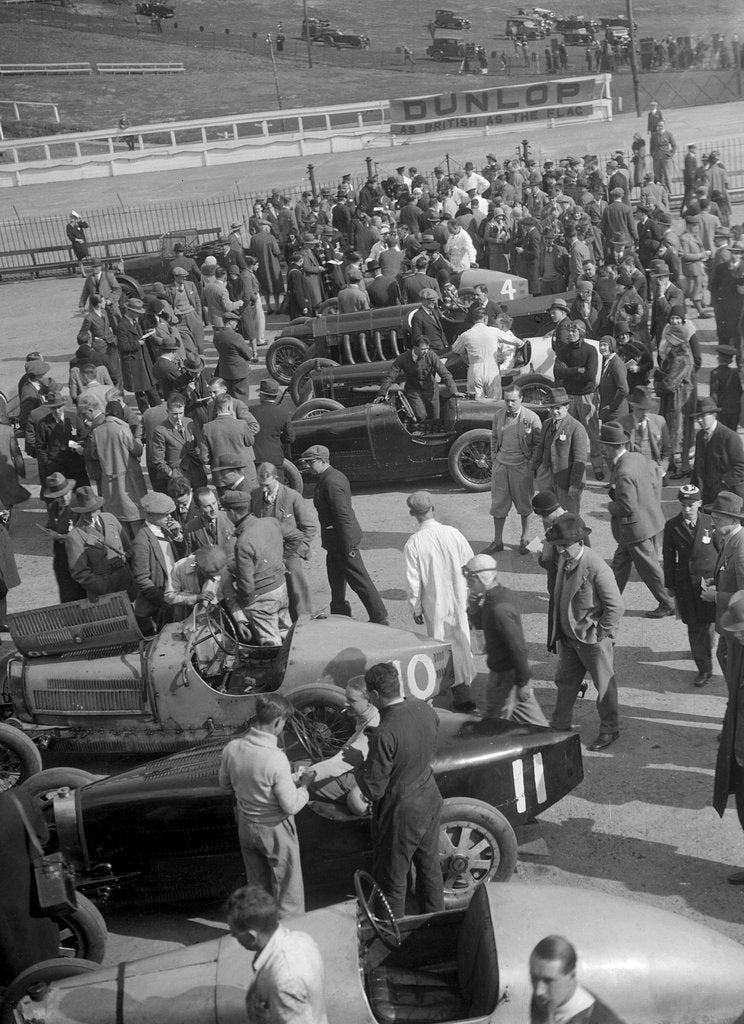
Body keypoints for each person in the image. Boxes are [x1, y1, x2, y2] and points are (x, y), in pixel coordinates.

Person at [355, 662, 444, 917]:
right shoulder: (424, 709)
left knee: (392, 880)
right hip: (430, 796)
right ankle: (436, 923)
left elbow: (373, 790)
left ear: (373, 696)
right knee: (429, 869)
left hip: (403, 811)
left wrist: (358, 765)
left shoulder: (384, 732)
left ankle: (393, 937)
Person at [219, 695, 314, 918]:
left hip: (246, 824)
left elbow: (225, 785)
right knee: (288, 889)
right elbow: (290, 806)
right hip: (275, 829)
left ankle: (260, 926)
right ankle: (289, 932)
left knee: (257, 886)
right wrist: (304, 787)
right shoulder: (276, 758)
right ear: (278, 721)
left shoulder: (232, 748)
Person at [546, 513, 624, 751]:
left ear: (578, 543)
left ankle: (610, 729)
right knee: (565, 682)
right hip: (570, 639)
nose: (560, 552)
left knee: (604, 685)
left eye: (563, 547)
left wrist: (601, 633)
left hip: (591, 640)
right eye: (558, 547)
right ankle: (559, 726)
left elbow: (616, 606)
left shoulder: (596, 566)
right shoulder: (564, 559)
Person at [403, 491, 476, 713]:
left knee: (441, 645)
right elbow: (471, 564)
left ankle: (447, 690)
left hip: (434, 604)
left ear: (412, 514)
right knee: (462, 641)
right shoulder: (453, 534)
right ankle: (465, 692)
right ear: (432, 508)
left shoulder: (414, 543)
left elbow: (413, 581)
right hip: (460, 598)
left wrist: (415, 607)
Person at [298, 445, 387, 625]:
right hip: (334, 542)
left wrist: (348, 547)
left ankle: (379, 616)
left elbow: (343, 515)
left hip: (342, 541)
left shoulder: (331, 481)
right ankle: (340, 613)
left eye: (310, 462)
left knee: (359, 580)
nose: (308, 466)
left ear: (323, 460)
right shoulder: (329, 478)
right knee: (336, 580)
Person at [601, 421, 675, 618]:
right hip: (645, 521)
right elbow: (652, 477)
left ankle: (668, 603)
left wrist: (611, 506)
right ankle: (609, 602)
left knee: (650, 569)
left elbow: (626, 507)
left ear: (609, 446)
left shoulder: (623, 472)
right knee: (619, 564)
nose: (602, 450)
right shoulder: (636, 457)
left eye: (603, 446)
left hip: (635, 528)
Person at [465, 553, 548, 726]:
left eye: (471, 581)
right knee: (534, 723)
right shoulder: (494, 598)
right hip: (504, 674)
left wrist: (523, 681)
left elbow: (517, 646)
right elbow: (484, 627)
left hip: (505, 677)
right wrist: (473, 610)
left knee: (493, 724)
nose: (468, 585)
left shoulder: (499, 609)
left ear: (483, 579)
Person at [226, 885, 329, 1024]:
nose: (232, 935)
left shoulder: (284, 980)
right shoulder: (301, 938)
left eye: (235, 933)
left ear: (252, 936)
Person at [663, 484, 719, 687]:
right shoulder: (672, 526)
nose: (687, 509)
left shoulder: (710, 522)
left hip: (708, 582)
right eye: (683, 505)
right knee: (695, 625)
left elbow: (720, 551)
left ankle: (703, 648)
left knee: (709, 622)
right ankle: (704, 668)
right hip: (686, 582)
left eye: (691, 505)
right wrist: (669, 584)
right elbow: (668, 557)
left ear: (700, 504)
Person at [222, 490, 293, 646]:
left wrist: (246, 604)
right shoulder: (270, 522)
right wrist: (281, 559)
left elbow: (246, 585)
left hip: (262, 598)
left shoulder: (242, 543)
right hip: (281, 587)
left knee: (271, 642)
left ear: (232, 512)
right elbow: (295, 537)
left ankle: (281, 669)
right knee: (288, 634)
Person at [251, 462, 316, 621]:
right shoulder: (255, 495)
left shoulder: (292, 496)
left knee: (296, 587)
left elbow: (309, 527)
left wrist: (299, 551)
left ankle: (304, 621)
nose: (264, 489)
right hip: (267, 554)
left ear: (276, 478)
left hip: (290, 551)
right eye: (261, 485)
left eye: (267, 485)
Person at [309, 677, 380, 810]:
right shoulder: (366, 715)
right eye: (346, 698)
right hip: (363, 769)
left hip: (370, 778)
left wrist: (297, 777)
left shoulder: (373, 725)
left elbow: (338, 765)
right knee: (306, 767)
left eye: (352, 700)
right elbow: (349, 745)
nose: (346, 703)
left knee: (308, 782)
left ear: (369, 701)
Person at [488, 383, 541, 554]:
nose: (509, 404)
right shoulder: (498, 416)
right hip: (501, 467)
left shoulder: (532, 418)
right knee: (498, 505)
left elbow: (538, 445)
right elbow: (494, 437)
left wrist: (530, 465)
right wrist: (494, 459)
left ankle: (524, 540)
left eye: (513, 400)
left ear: (521, 399)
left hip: (521, 468)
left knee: (525, 505)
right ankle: (497, 541)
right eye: (506, 400)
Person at [529, 935, 625, 1024]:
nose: (538, 991)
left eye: (548, 981)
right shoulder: (546, 999)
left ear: (572, 976)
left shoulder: (601, 1020)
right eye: (534, 978)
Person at [130, 491, 185, 636]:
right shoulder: (141, 542)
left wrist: (178, 536)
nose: (169, 517)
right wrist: (163, 601)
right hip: (161, 606)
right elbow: (142, 580)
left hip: (176, 595)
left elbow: (181, 558)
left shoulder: (166, 529)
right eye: (164, 515)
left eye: (170, 514)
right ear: (150, 515)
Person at [701, 491, 744, 677]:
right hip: (731, 622)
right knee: (723, 656)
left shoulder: (742, 550)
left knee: (731, 664)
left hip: (738, 625)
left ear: (733, 520)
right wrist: (717, 580)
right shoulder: (731, 540)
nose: (712, 523)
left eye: (717, 519)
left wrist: (716, 596)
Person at [553, 320, 602, 479]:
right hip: (569, 397)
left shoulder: (590, 350)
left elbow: (590, 375)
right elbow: (557, 372)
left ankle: (597, 466)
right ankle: (570, 464)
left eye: (574, 331)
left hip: (587, 397)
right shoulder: (563, 351)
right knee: (568, 432)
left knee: (593, 434)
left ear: (581, 332)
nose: (571, 334)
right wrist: (577, 370)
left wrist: (569, 372)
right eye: (569, 331)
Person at [65, 486, 132, 600]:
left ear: (99, 508)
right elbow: (80, 573)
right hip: (103, 589)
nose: (91, 515)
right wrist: (102, 587)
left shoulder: (110, 519)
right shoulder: (75, 536)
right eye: (86, 512)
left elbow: (127, 547)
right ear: (80, 512)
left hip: (126, 581)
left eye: (94, 510)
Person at [92, 400, 146, 542]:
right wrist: (139, 441)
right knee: (135, 518)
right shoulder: (123, 429)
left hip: (109, 482)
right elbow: (137, 450)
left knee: (118, 521)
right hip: (128, 480)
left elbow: (93, 454)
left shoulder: (97, 431)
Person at [376, 336, 457, 430]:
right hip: (413, 390)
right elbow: (390, 376)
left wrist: (454, 391)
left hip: (431, 389)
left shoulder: (431, 355)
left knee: (435, 418)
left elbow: (445, 374)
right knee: (421, 415)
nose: (426, 351)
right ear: (415, 348)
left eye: (427, 348)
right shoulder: (403, 358)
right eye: (423, 349)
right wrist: (381, 394)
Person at [533, 388, 590, 515]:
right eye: (552, 408)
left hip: (566, 480)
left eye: (558, 408)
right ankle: (550, 535)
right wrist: (537, 469)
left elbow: (580, 459)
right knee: (548, 513)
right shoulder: (547, 424)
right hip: (546, 476)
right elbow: (540, 448)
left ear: (567, 407)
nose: (554, 411)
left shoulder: (577, 428)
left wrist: (574, 485)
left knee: (569, 516)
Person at [690, 396, 744, 506]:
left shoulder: (729, 437)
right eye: (698, 417)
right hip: (706, 493)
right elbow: (698, 466)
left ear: (714, 415)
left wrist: (724, 483)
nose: (699, 420)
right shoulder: (700, 436)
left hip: (727, 494)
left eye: (703, 416)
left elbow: (740, 467)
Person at [150, 392, 207, 494]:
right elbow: (157, 459)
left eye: (181, 413)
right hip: (177, 474)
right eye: (175, 414)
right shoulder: (160, 430)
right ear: (168, 412)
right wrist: (171, 473)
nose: (179, 417)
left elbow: (197, 444)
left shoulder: (189, 422)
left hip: (195, 470)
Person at [200, 394, 259, 486]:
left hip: (221, 474)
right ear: (229, 407)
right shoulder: (242, 424)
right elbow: (250, 442)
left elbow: (204, 457)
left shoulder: (207, 428)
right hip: (244, 471)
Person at [450, 307, 503, 400]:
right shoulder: (495, 331)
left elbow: (455, 349)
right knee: (496, 401)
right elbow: (510, 341)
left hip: (475, 368)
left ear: (473, 319)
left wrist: (464, 356)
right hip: (492, 368)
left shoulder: (465, 335)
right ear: (485, 318)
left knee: (477, 402)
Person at [250, 379, 296, 482]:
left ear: (261, 395)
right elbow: (290, 438)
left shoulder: (251, 411)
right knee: (277, 489)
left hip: (255, 457)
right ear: (275, 396)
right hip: (275, 458)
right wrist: (277, 440)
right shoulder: (283, 413)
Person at [709, 345, 742, 432]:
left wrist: (714, 409)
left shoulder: (715, 373)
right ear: (730, 360)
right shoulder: (734, 373)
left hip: (722, 410)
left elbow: (713, 393)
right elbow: (739, 391)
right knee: (732, 433)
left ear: (719, 358)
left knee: (722, 434)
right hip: (734, 409)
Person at [66, 209, 89, 274]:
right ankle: (83, 273)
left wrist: (81, 219)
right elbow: (70, 237)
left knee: (85, 254)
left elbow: (86, 226)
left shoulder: (79, 224)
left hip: (83, 244)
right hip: (76, 245)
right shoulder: (68, 226)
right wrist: (78, 240)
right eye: (71, 217)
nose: (72, 218)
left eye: (73, 217)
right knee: (80, 258)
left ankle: (86, 268)